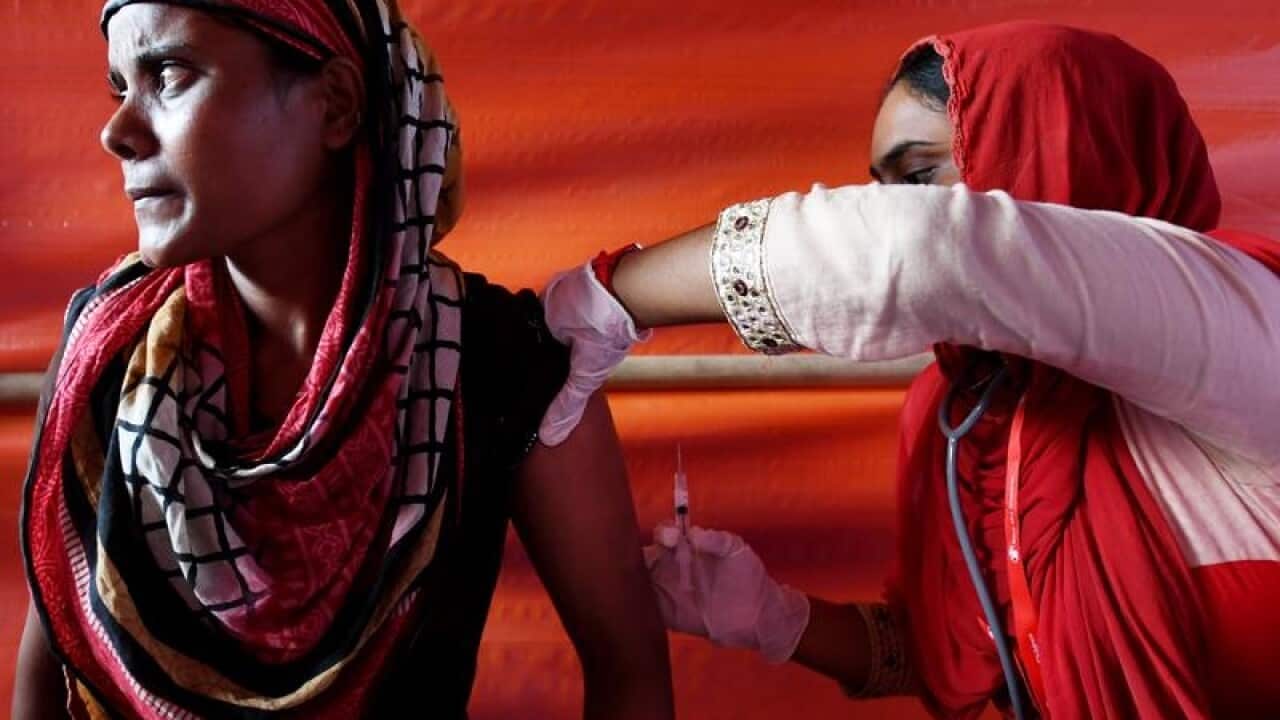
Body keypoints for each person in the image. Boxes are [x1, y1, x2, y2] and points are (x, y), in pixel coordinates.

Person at [539, 21, 1280, 719]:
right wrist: (774, 618)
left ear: (1067, 147)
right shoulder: (964, 413)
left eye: (917, 178)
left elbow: (918, 253)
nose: (891, 211)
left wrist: (612, 291)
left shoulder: (1236, 314)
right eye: (880, 190)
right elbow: (948, 653)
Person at [11, 1, 673, 718]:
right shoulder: (107, 350)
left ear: (336, 105)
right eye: (119, 87)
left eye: (169, 74)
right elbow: (46, 673)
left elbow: (628, 674)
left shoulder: (499, 362)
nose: (118, 131)